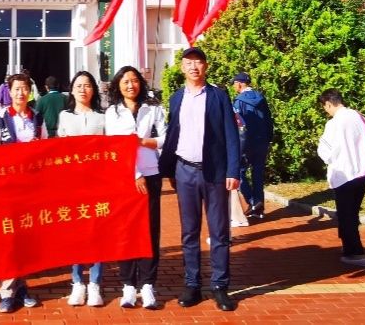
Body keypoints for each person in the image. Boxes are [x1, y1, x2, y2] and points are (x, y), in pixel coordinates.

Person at [159, 47, 240, 312]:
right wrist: (168, 170)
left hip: (214, 173)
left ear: (205, 66)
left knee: (219, 232)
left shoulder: (219, 96)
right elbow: (172, 134)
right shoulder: (176, 98)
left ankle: (220, 286)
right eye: (188, 63)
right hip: (184, 171)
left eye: (198, 62)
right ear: (182, 67)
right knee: (189, 232)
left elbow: (230, 134)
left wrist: (233, 170)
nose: (194, 67)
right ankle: (192, 284)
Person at [106, 66, 166, 310]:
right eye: (125, 81)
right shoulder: (112, 112)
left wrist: (143, 141)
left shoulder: (153, 108)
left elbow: (165, 138)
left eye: (134, 81)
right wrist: (135, 174)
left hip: (151, 175)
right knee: (126, 231)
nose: (130, 85)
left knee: (150, 230)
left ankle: (148, 284)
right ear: (118, 86)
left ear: (140, 83)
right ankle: (128, 285)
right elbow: (115, 146)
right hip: (123, 179)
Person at [0, 73, 47, 313]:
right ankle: (7, 291)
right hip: (7, 188)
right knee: (9, 239)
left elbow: (45, 149)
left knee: (26, 239)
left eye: (25, 88)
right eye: (17, 89)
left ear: (30, 92)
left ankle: (21, 288)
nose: (21, 93)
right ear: (9, 92)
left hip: (31, 188)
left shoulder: (37, 118)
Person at [56, 71, 106, 307]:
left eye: (87, 85)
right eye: (78, 86)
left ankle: (95, 283)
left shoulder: (102, 117)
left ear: (93, 90)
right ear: (72, 90)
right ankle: (77, 282)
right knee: (75, 235)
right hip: (72, 184)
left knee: (97, 233)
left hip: (97, 183)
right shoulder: (65, 116)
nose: (83, 90)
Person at [316, 88, 365, 268]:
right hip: (363, 170)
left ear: (328, 103)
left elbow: (325, 151)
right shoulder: (358, 116)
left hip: (344, 173)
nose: (326, 111)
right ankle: (349, 246)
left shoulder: (333, 124)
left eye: (325, 107)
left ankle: (355, 252)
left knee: (346, 214)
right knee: (352, 211)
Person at [232, 72, 274, 222]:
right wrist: (268, 139)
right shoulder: (261, 98)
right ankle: (259, 208)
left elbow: (239, 125)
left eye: (234, 83)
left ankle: (252, 201)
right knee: (258, 173)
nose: (234, 87)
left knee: (239, 171)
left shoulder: (239, 101)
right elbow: (269, 120)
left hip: (247, 143)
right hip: (262, 142)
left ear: (239, 84)